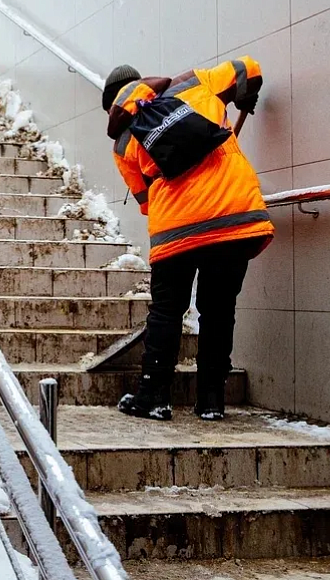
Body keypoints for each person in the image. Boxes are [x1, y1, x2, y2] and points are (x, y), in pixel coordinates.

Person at [103, 58, 273, 421]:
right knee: (218, 309)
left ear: (113, 106)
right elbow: (249, 69)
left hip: (175, 231)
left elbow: (146, 202)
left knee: (167, 310)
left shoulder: (122, 142)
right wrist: (243, 98)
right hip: (232, 215)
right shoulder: (194, 83)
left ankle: (154, 396)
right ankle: (211, 401)